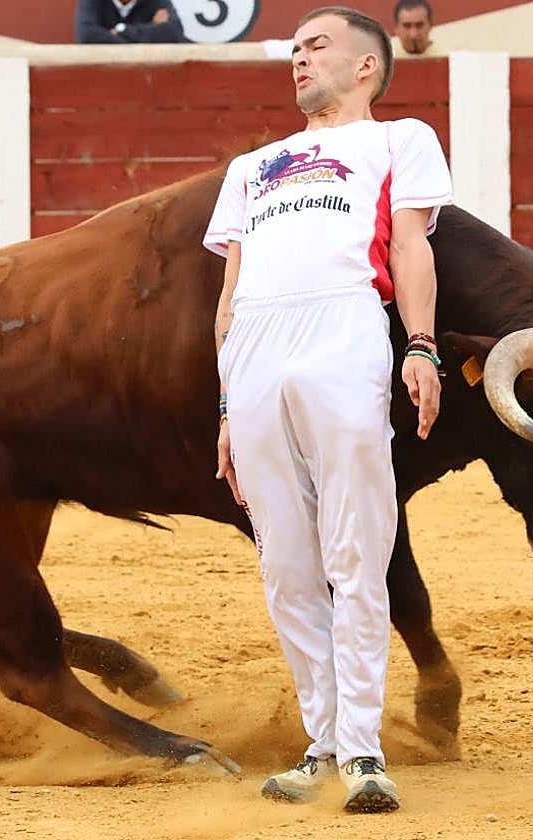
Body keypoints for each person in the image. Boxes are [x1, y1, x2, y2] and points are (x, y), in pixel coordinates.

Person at [203, 4, 451, 815]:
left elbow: (411, 245)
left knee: (355, 549)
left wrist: (419, 344)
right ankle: (323, 743)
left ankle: (365, 749)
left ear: (367, 65)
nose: (298, 60)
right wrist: (228, 403)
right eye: (295, 49)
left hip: (343, 326)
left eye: (316, 47)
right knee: (284, 564)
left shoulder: (398, 139)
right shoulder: (253, 165)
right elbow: (230, 295)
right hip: (257, 352)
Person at [74, 0, 186, 43]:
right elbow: (86, 34)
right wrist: (150, 31)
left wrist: (123, 31)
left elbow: (174, 33)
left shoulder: (156, 2)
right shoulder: (93, 2)